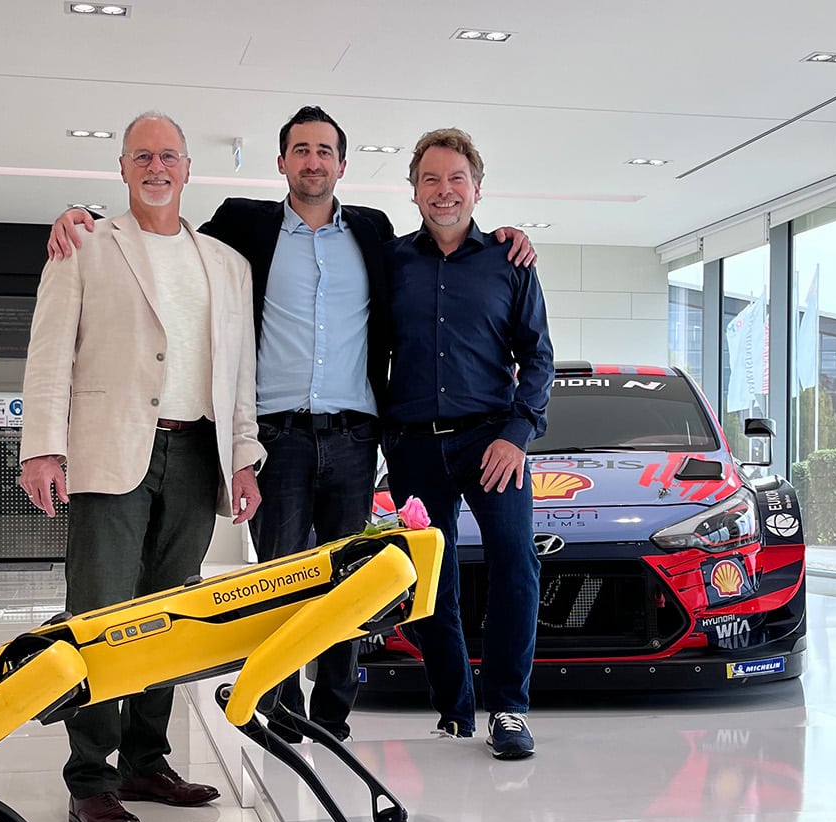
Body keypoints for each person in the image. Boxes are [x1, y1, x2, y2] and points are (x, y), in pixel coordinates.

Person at [47, 106, 537, 744]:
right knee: (277, 580)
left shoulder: (373, 233)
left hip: (358, 434)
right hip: (276, 433)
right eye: (300, 150)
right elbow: (160, 229)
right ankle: (275, 709)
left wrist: (506, 236)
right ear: (282, 162)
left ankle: (332, 715)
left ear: (342, 165)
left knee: (348, 585)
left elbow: (464, 281)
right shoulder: (242, 226)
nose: (312, 162)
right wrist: (80, 214)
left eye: (324, 151)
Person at [20, 111, 264, 822]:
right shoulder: (86, 245)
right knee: (99, 615)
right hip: (111, 449)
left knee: (171, 614)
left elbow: (239, 374)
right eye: (142, 157)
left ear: (189, 170)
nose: (157, 168)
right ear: (122, 170)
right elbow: (49, 352)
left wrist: (245, 456)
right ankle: (89, 777)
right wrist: (41, 446)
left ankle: (147, 761)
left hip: (196, 453)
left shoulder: (227, 264)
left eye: (169, 157)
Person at [380, 128, 554, 760]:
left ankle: (507, 708)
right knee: (431, 577)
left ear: (476, 188)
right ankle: (454, 707)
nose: (444, 191)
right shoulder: (393, 261)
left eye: (456, 179)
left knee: (515, 563)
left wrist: (517, 433)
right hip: (416, 447)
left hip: (492, 443)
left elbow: (537, 358)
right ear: (415, 191)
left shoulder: (510, 261)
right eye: (431, 179)